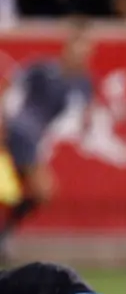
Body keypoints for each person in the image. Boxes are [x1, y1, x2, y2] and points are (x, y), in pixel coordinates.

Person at [0, 22, 93, 263]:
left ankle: (4, 235)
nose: (80, 56)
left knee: (24, 191)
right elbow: (12, 87)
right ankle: (3, 236)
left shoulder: (83, 84)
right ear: (66, 49)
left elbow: (82, 115)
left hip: (35, 137)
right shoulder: (44, 70)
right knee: (42, 189)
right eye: (77, 49)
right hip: (20, 130)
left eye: (85, 51)